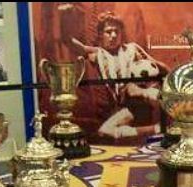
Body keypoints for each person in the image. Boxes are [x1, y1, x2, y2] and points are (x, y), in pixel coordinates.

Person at [71, 11, 168, 141]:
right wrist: (65, 20)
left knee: (131, 89)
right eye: (108, 32)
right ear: (100, 34)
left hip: (141, 102)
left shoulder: (132, 49)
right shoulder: (98, 54)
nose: (114, 35)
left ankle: (160, 113)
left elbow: (159, 66)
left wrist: (167, 78)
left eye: (117, 31)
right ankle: (156, 129)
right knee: (105, 131)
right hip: (123, 106)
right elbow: (75, 46)